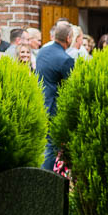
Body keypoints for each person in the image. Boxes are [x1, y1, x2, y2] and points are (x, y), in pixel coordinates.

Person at [37, 20, 77, 168]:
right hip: (54, 107)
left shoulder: (42, 52)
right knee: (51, 147)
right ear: (68, 38)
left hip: (41, 103)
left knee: (44, 145)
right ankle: (46, 179)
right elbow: (70, 88)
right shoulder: (66, 60)